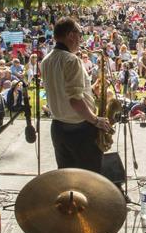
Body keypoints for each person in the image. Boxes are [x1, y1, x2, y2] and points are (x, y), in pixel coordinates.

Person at [41, 18, 112, 173]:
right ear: (70, 35)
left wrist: (91, 89)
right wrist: (96, 120)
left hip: (58, 128)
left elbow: (62, 91)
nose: (81, 39)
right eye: (80, 34)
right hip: (80, 131)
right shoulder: (71, 60)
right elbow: (74, 100)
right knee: (89, 179)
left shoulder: (46, 60)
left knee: (67, 178)